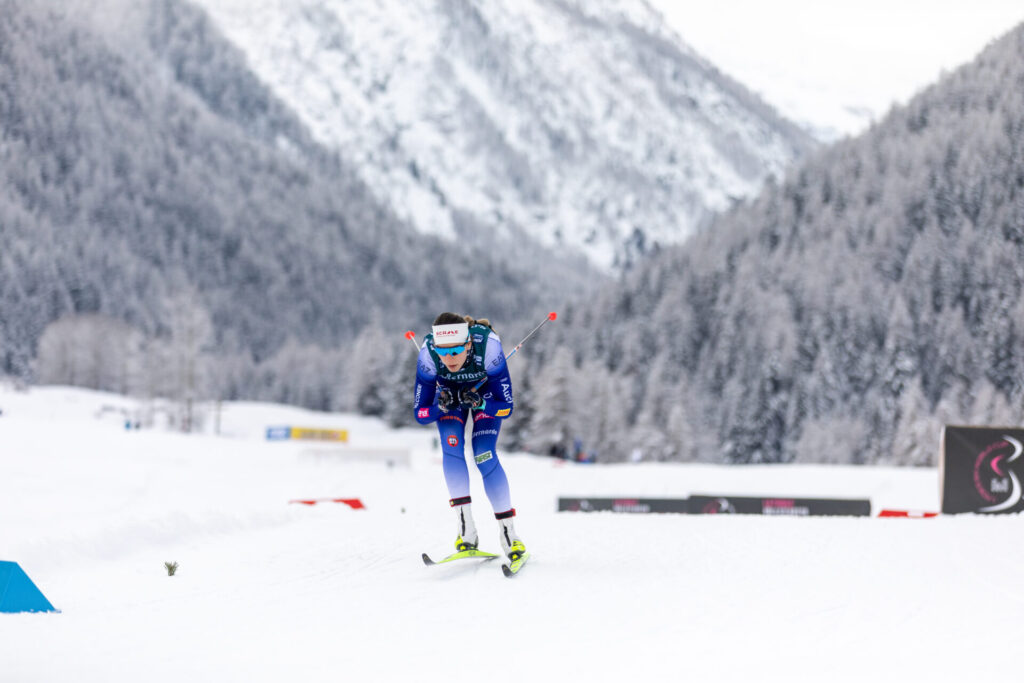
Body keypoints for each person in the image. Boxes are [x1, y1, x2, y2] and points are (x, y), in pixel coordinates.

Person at [413, 312, 525, 560]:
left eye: (455, 351)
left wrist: (482, 404)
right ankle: (466, 530)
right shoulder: (428, 355)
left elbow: (506, 406)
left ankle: (509, 535)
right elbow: (420, 413)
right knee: (451, 447)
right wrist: (439, 408)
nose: (448, 358)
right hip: (449, 397)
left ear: (468, 345)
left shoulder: (489, 349)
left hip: (485, 395)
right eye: (443, 352)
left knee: (483, 455)